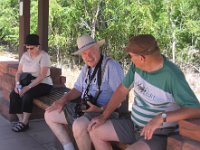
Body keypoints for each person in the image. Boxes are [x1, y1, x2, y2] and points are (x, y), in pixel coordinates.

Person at [88, 34, 200, 150]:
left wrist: (162, 117)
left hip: (158, 133)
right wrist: (104, 116)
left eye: (131, 56)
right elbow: (122, 90)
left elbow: (195, 109)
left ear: (142, 58)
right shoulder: (136, 67)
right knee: (94, 131)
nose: (130, 59)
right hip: (133, 125)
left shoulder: (172, 76)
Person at [44, 34, 124, 150]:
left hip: (105, 111)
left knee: (78, 125)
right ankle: (68, 147)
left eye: (91, 51)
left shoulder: (111, 66)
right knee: (49, 114)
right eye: (84, 54)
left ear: (98, 49)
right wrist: (62, 100)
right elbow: (78, 89)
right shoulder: (86, 68)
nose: (88, 56)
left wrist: (101, 109)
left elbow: (121, 97)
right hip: (84, 108)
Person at [9, 34, 53, 132]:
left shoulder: (44, 56)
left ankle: (25, 122)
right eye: (27, 48)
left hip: (43, 83)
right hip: (27, 82)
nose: (29, 50)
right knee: (14, 94)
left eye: (31, 48)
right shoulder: (25, 55)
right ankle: (21, 121)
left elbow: (42, 76)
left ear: (38, 46)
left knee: (27, 95)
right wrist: (17, 85)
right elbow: (19, 72)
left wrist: (27, 88)